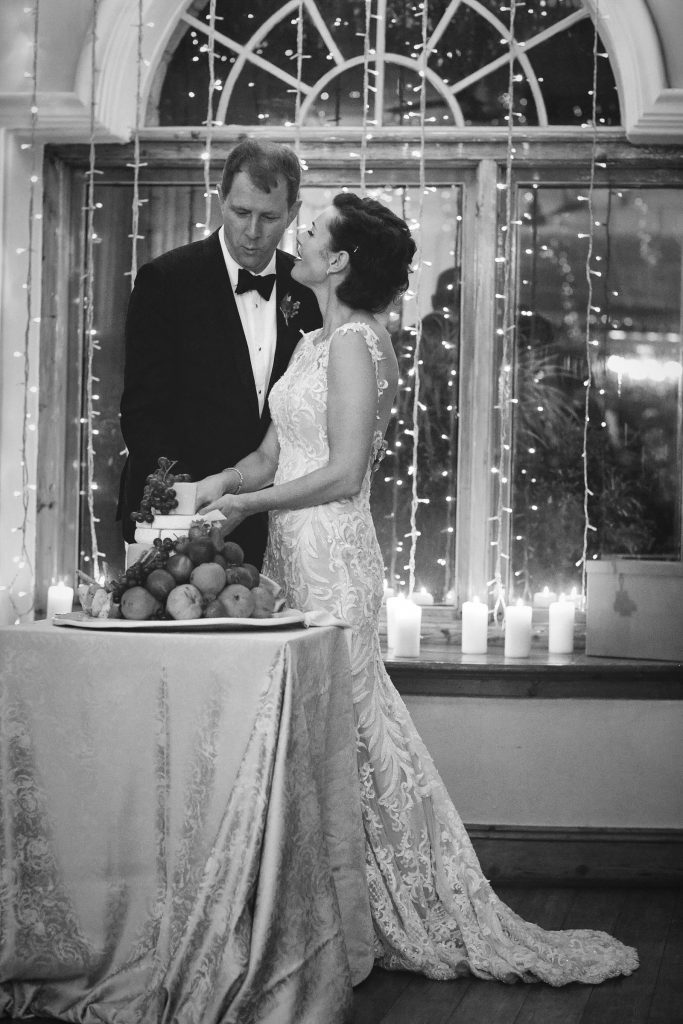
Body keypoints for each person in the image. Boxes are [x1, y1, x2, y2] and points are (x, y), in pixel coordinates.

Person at [195, 193, 638, 986]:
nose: (295, 233)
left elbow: (342, 472)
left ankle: (412, 903)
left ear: (337, 262)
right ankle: (323, 905)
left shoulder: (358, 345)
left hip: (334, 559)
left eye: (311, 229)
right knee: (310, 735)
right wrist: (213, 486)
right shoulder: (310, 340)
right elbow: (269, 456)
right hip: (290, 561)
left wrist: (247, 508)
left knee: (357, 734)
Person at [117, 139, 321, 568]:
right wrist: (182, 504)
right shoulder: (166, 281)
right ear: (220, 198)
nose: (253, 232)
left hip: (274, 517)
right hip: (178, 516)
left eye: (270, 217)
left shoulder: (308, 288)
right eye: (241, 212)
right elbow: (143, 411)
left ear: (294, 211)